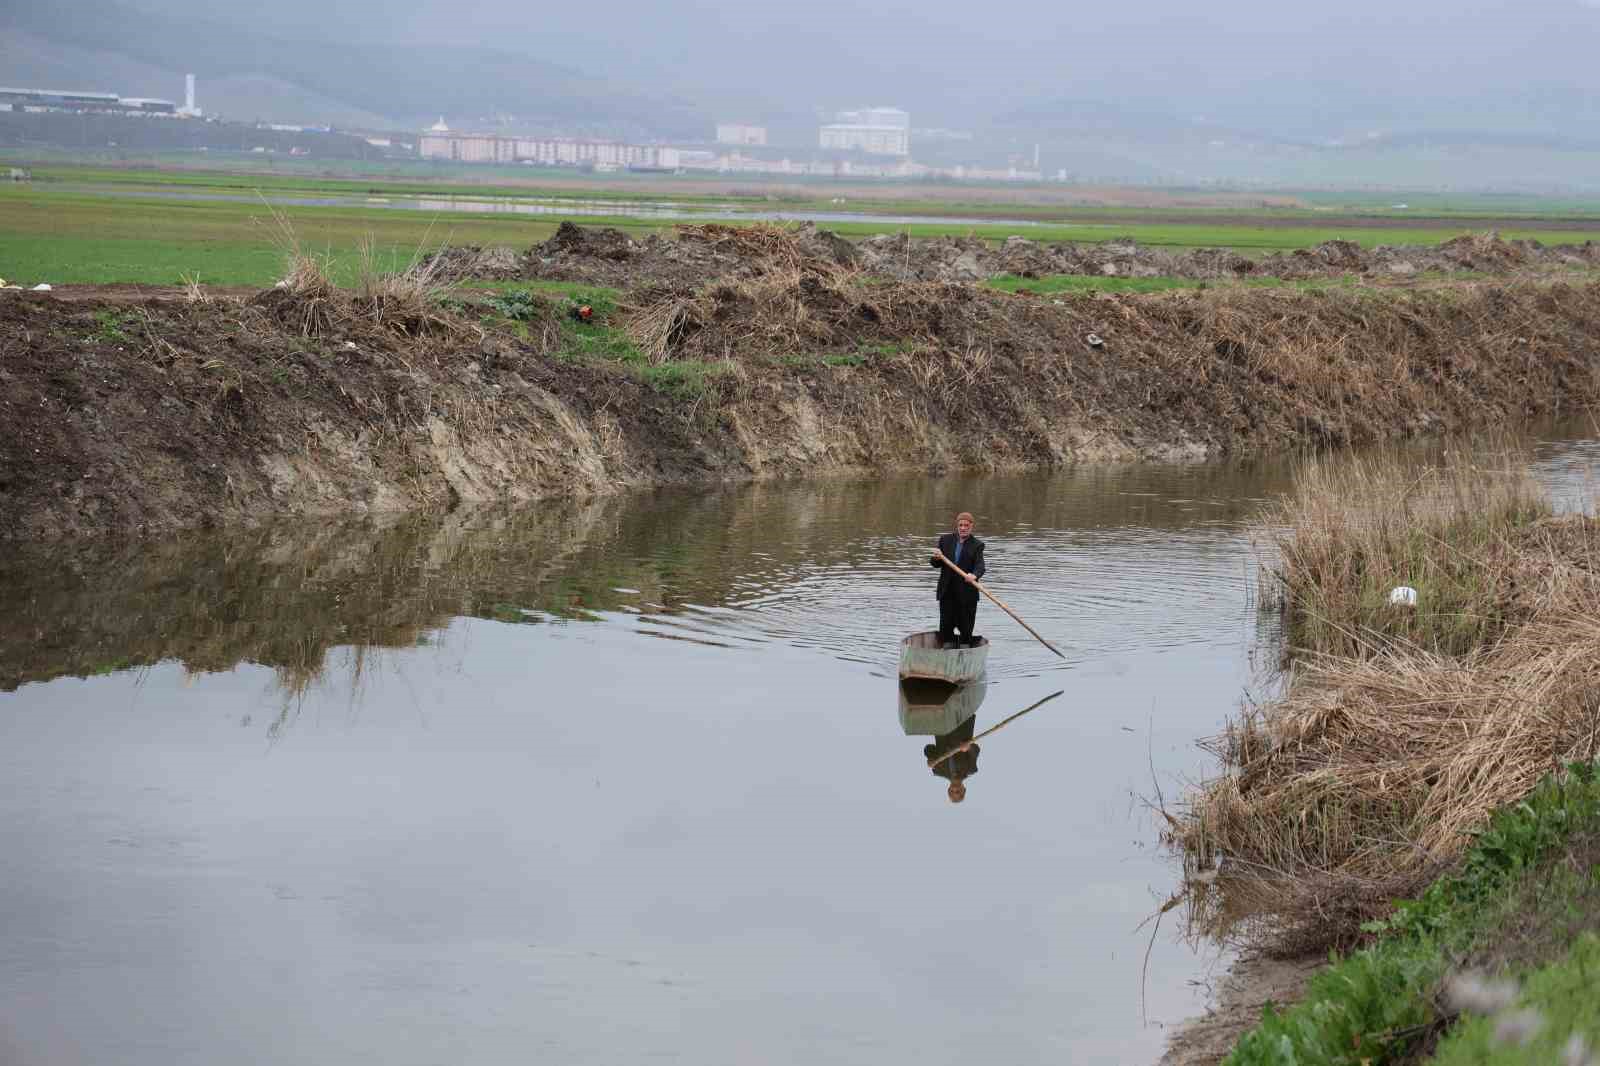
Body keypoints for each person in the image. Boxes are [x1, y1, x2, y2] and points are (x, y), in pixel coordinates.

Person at [930, 511, 985, 649]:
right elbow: (935, 564)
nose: (963, 528)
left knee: (966, 629)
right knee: (946, 627)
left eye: (966, 525)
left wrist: (974, 575)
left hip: (967, 595)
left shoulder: (977, 545)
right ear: (957, 525)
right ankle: (947, 648)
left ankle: (965, 651)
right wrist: (936, 558)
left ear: (971, 526)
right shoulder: (945, 540)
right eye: (961, 525)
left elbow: (980, 565)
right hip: (947, 592)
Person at [925, 713, 980, 804]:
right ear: (964, 789)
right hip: (961, 720)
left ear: (948, 789)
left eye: (952, 791)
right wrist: (968, 748)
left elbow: (929, 748)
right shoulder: (970, 769)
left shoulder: (938, 770)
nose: (955, 789)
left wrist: (930, 758)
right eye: (958, 791)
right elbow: (976, 751)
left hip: (941, 724)